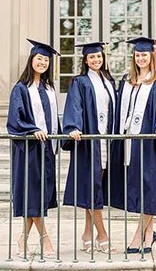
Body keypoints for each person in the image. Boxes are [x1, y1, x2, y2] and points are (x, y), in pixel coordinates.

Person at [110, 37, 156, 254]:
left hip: (149, 144)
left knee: (148, 187)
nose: (140, 58)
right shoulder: (126, 81)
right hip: (129, 143)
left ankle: (140, 235)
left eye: (144, 55)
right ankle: (150, 234)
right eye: (138, 55)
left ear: (151, 57)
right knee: (141, 188)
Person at [6, 38, 60, 259]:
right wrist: (32, 129)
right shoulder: (20, 88)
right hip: (28, 149)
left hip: (46, 149)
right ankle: (45, 239)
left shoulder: (49, 88)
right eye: (39, 58)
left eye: (46, 60)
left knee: (38, 194)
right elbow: (14, 119)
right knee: (32, 193)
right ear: (31, 60)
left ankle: (23, 240)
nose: (43, 63)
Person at [62, 41, 117, 254]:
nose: (96, 60)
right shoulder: (80, 82)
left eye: (99, 57)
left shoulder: (109, 81)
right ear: (85, 60)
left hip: (106, 140)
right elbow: (74, 106)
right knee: (92, 187)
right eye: (92, 57)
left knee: (95, 187)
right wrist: (74, 127)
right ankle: (102, 234)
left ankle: (87, 232)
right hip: (89, 141)